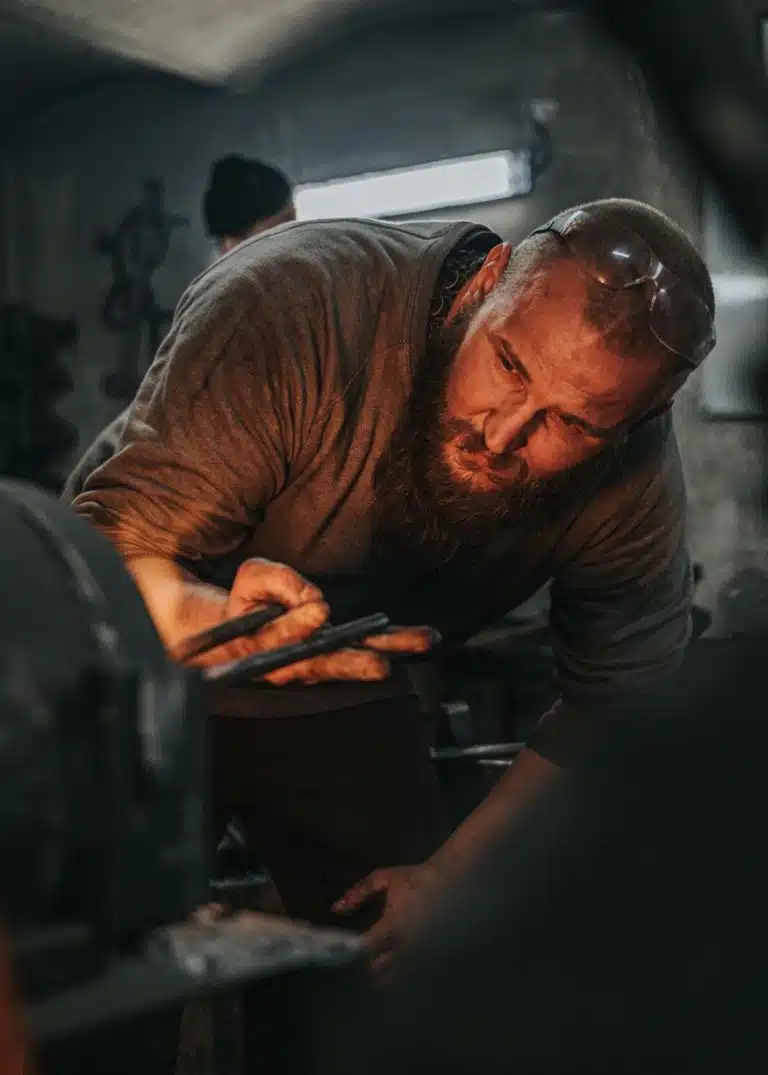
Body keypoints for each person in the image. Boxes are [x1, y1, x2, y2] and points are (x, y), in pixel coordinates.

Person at [69, 198, 716, 944]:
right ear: (486, 282)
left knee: (409, 949)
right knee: (87, 949)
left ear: (640, 419)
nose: (504, 434)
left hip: (342, 673)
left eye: (570, 423)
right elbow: (113, 558)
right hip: (137, 638)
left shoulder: (633, 485)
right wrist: (209, 622)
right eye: (508, 364)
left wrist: (450, 878)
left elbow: (616, 703)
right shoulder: (295, 300)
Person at [62, 154, 295, 502]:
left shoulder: (282, 297)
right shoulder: (230, 310)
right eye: (285, 222)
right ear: (233, 242)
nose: (296, 234)